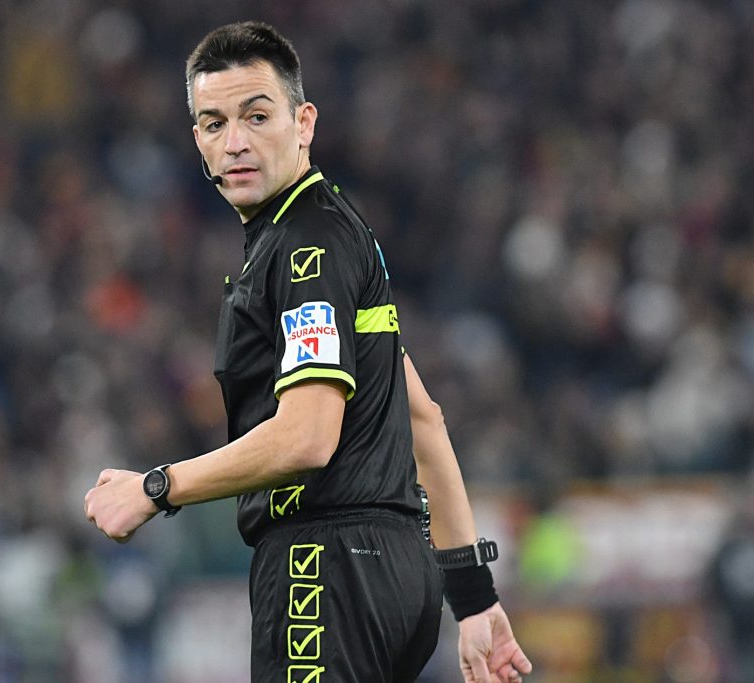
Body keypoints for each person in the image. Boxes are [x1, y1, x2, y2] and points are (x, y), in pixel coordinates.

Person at [85, 21, 532, 683]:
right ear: (198, 141)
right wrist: (472, 596)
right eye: (213, 124)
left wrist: (157, 488)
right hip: (389, 569)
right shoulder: (333, 233)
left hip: (323, 570)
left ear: (304, 123)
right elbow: (422, 418)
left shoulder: (305, 246)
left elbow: (307, 437)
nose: (235, 142)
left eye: (256, 116)